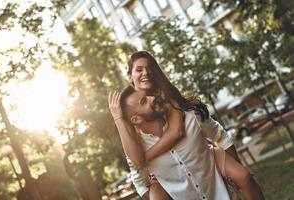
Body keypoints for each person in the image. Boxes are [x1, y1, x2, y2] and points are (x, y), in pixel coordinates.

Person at [108, 51, 264, 200]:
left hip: (204, 163)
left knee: (244, 177)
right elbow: (137, 173)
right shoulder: (133, 134)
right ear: (130, 77)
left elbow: (177, 131)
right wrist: (118, 119)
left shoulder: (172, 102)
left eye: (149, 68)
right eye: (139, 69)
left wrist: (144, 158)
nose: (145, 73)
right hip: (164, 180)